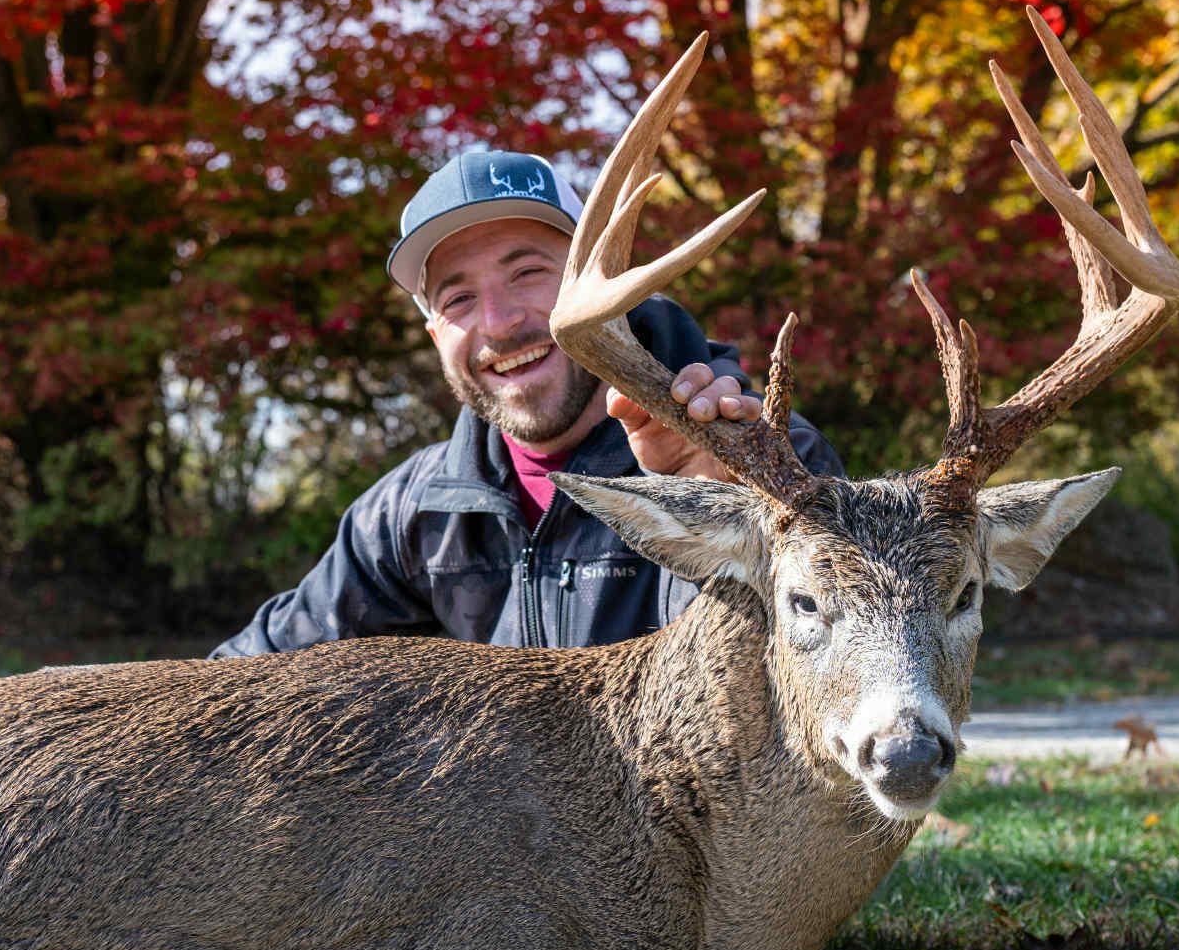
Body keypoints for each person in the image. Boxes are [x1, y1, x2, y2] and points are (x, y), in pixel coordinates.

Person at [211, 149, 841, 657]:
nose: (499, 321)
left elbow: (841, 674)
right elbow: (245, 678)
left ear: (600, 283)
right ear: (435, 335)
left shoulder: (766, 456)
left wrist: (720, 512)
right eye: (457, 300)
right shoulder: (417, 511)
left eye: (528, 272)